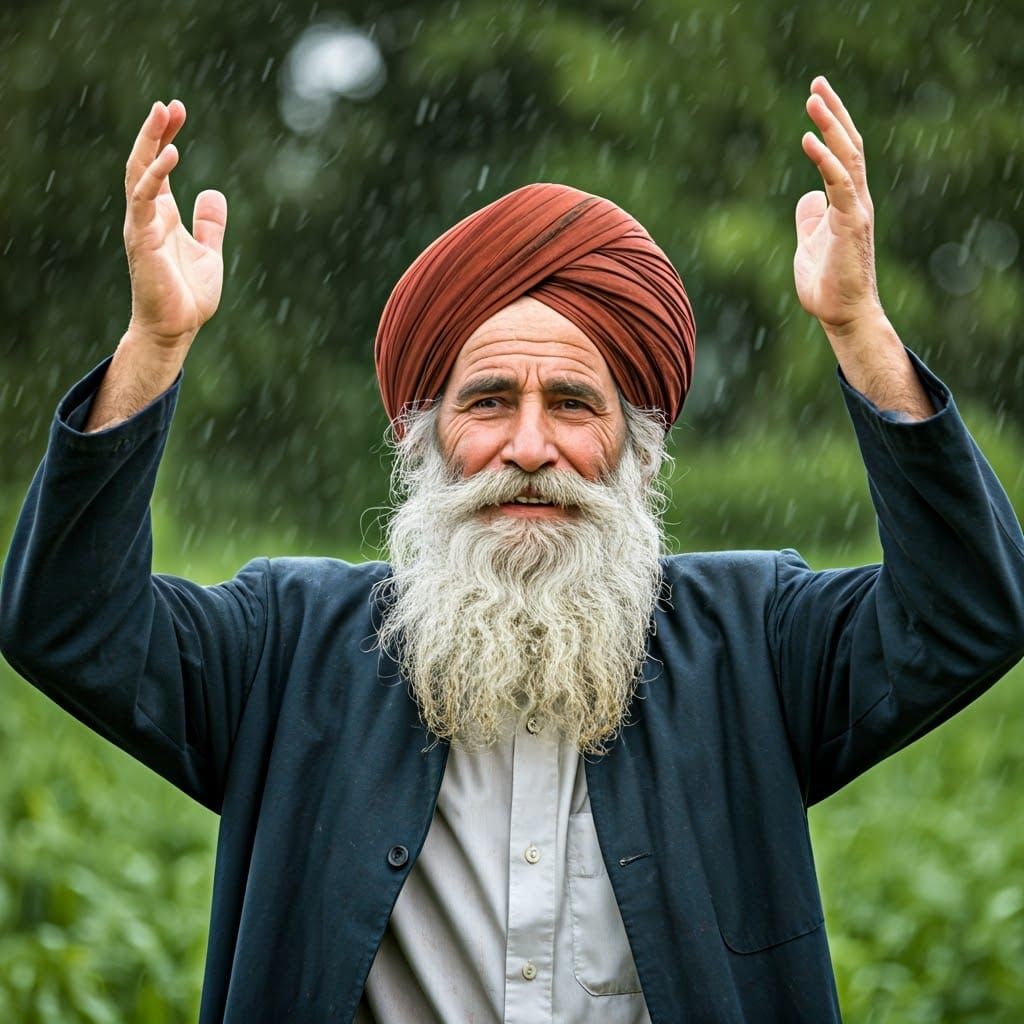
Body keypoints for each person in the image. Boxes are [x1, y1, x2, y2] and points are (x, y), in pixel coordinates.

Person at [1, 75, 1022, 1023]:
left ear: (636, 442)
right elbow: (67, 621)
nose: (529, 448)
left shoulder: (756, 640)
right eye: (488, 400)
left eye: (572, 403)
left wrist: (856, 329)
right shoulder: (285, 648)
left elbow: (970, 610)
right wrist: (155, 348)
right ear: (422, 435)